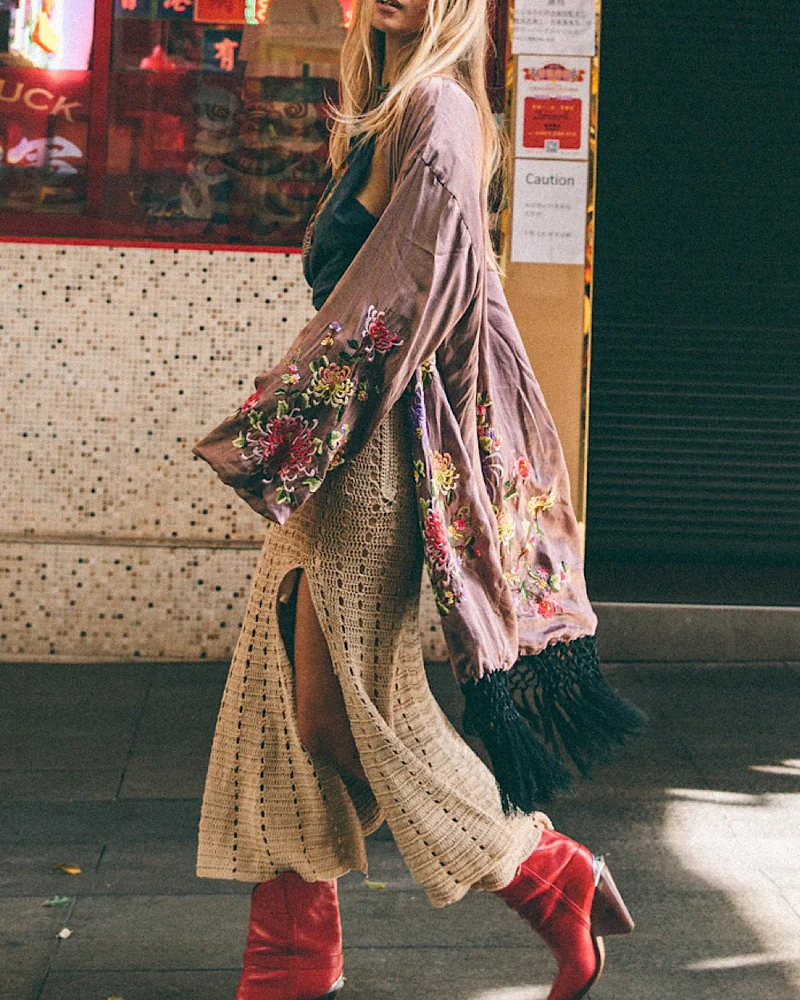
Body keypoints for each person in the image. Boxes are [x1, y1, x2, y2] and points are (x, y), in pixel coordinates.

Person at [192, 0, 646, 997]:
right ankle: (289, 964)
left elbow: (398, 301)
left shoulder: (436, 108)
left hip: (372, 452)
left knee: (355, 711)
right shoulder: (387, 107)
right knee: (282, 699)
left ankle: (547, 874)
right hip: (346, 447)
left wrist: (282, 415)